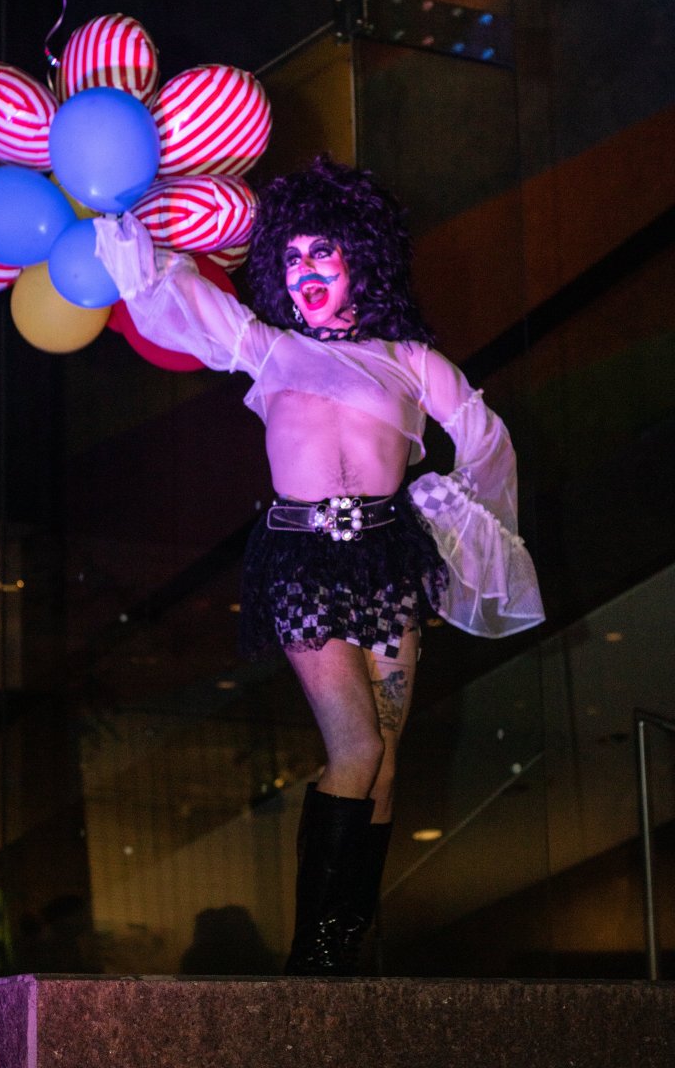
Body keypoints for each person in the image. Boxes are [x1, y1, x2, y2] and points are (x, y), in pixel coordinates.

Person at [94, 157, 544, 976]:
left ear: (360, 260)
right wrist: (117, 218)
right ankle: (316, 951)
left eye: (322, 255)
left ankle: (345, 939)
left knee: (386, 755)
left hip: (387, 559)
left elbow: (487, 441)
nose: (304, 272)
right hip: (301, 560)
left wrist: (444, 513)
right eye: (292, 258)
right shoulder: (264, 346)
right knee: (357, 745)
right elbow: (168, 303)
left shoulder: (413, 362)